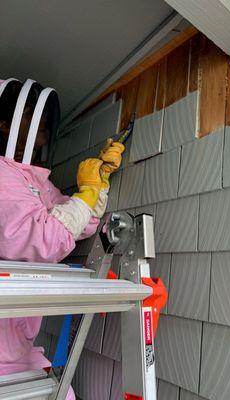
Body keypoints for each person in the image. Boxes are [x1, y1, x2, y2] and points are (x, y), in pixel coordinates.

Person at [0, 78, 125, 399]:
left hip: (17, 348)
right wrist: (85, 195)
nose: (42, 121)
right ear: (4, 124)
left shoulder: (32, 179)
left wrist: (98, 185)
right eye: (30, 112)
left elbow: (76, 225)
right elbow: (41, 241)